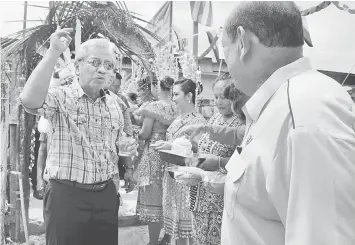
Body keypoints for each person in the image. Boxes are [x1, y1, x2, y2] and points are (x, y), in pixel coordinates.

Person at [220, 2, 355, 245]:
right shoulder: (280, 105)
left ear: (243, 42)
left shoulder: (304, 115)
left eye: (224, 49)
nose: (226, 65)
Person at [19, 29, 137, 245]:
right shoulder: (60, 97)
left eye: (109, 66)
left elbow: (118, 144)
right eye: (95, 62)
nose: (102, 70)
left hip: (105, 195)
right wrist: (54, 52)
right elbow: (29, 101)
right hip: (66, 195)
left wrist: (127, 156)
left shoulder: (115, 103)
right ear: (77, 66)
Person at [177, 73, 246, 245]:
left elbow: (245, 163)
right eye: (216, 97)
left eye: (224, 97)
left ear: (236, 95)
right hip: (200, 195)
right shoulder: (215, 118)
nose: (219, 102)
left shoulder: (243, 123)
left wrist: (218, 162)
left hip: (221, 201)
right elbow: (204, 148)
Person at [152, 78, 206, 245]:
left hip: (186, 178)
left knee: (188, 228)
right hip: (172, 176)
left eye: (176, 94)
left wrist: (170, 146)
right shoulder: (178, 118)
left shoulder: (198, 121)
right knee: (176, 228)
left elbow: (198, 152)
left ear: (189, 96)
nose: (173, 98)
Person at [136, 76, 178, 245]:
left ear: (157, 87)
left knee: (153, 198)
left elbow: (145, 133)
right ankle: (167, 239)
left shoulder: (152, 107)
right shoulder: (177, 107)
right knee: (168, 196)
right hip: (172, 154)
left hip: (154, 154)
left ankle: (153, 242)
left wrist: (135, 133)